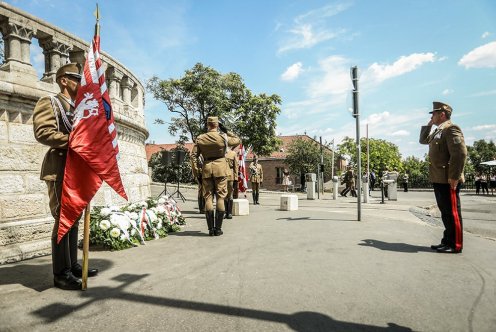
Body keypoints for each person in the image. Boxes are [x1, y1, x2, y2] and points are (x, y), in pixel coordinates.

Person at [32, 63, 98, 290]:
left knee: (75, 218)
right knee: (63, 220)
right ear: (63, 80)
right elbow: (43, 132)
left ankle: (72, 264)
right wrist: (76, 142)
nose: (80, 84)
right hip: (60, 168)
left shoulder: (79, 108)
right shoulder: (50, 102)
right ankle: (61, 273)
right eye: (76, 79)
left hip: (78, 169)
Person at [419, 101, 467, 254]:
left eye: (433, 113)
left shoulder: (451, 128)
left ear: (442, 114)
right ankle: (447, 241)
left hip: (448, 179)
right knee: (445, 212)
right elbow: (422, 140)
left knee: (452, 212)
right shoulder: (437, 131)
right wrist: (429, 125)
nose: (432, 116)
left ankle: (455, 244)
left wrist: (454, 176)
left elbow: (460, 154)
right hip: (439, 178)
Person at [196, 116, 240, 236]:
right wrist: (226, 130)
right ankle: (218, 229)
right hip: (221, 168)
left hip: (206, 169)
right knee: (221, 197)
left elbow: (193, 156)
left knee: (208, 197)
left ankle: (210, 229)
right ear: (217, 125)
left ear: (207, 125)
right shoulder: (223, 137)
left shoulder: (200, 138)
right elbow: (237, 140)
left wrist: (197, 173)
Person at [225, 146, 239, 219]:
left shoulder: (233, 153)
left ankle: (229, 212)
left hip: (230, 176)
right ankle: (224, 212)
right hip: (221, 176)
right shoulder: (220, 153)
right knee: (223, 194)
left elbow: (236, 166)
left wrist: (236, 178)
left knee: (229, 194)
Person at [190, 144, 205, 214]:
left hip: (204, 174)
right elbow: (196, 165)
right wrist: (196, 174)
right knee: (201, 191)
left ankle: (204, 207)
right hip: (200, 174)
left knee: (204, 191)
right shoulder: (197, 156)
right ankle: (201, 208)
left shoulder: (204, 155)